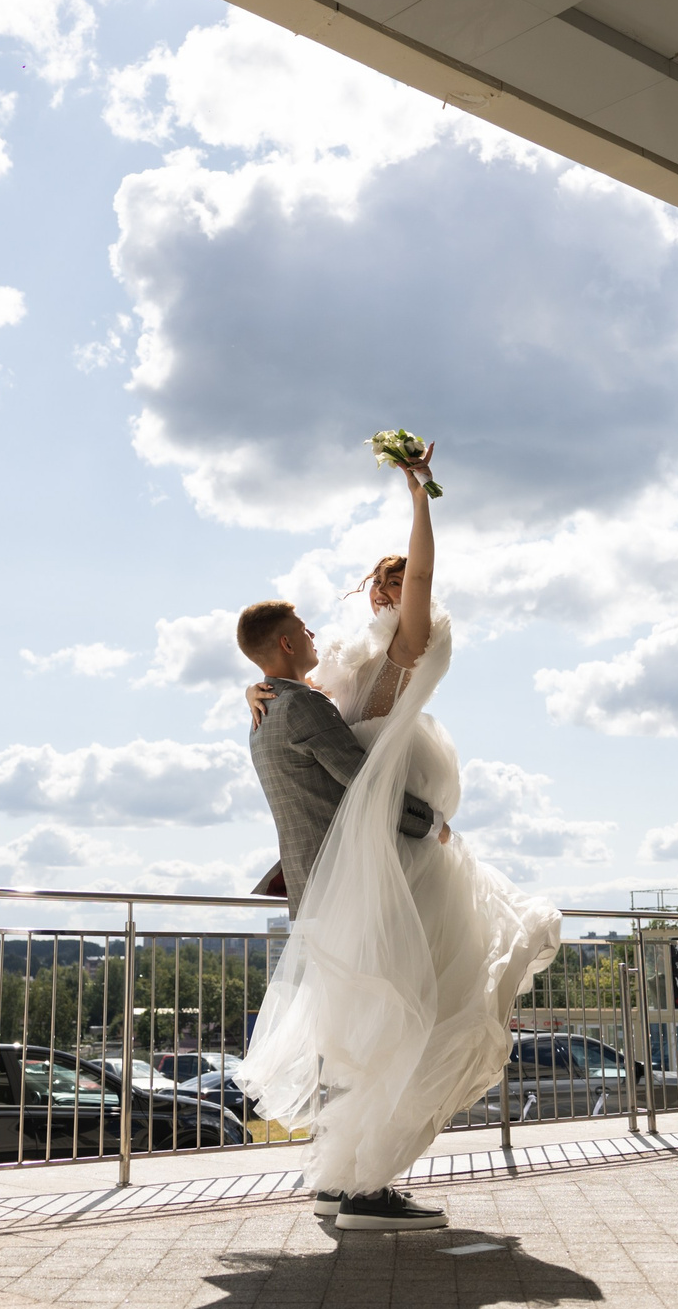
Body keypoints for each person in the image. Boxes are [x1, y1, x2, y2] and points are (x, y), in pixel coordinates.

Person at [232, 441, 563, 1232]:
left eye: (394, 577)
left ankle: (354, 1176)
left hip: (390, 845)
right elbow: (307, 705)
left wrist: (419, 493)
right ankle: (355, 1178)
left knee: (397, 1010)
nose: (386, 584)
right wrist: (269, 687)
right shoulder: (338, 664)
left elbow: (421, 577)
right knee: (380, 1015)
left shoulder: (408, 642)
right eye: (379, 578)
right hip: (370, 852)